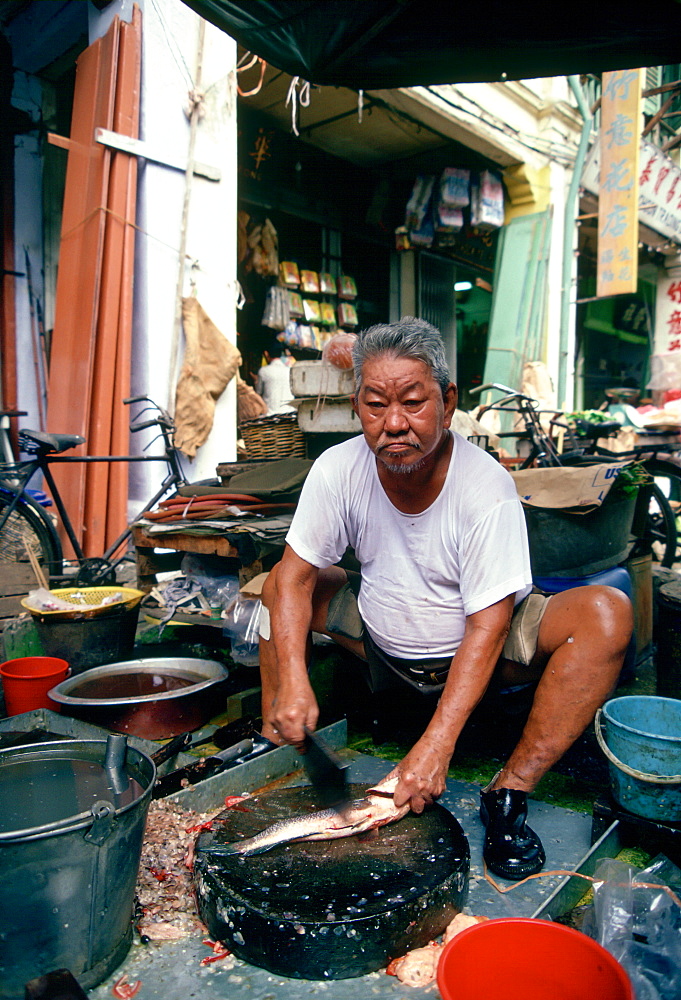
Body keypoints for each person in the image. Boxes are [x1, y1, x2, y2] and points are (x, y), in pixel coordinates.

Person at [257, 317, 633, 880]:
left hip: (481, 649)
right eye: (376, 404)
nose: (394, 424)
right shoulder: (337, 469)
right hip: (380, 639)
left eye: (413, 402)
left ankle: (509, 792)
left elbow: (490, 624)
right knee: (280, 582)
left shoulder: (484, 488)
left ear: (448, 400)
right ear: (356, 404)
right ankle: (278, 731)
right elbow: (293, 581)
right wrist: (292, 677)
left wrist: (436, 745)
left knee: (607, 613)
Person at [254, 341, 295, 414]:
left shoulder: (263, 371)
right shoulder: (290, 371)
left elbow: (258, 394)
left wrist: (256, 381)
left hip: (270, 416)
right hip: (290, 414)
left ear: (266, 354)